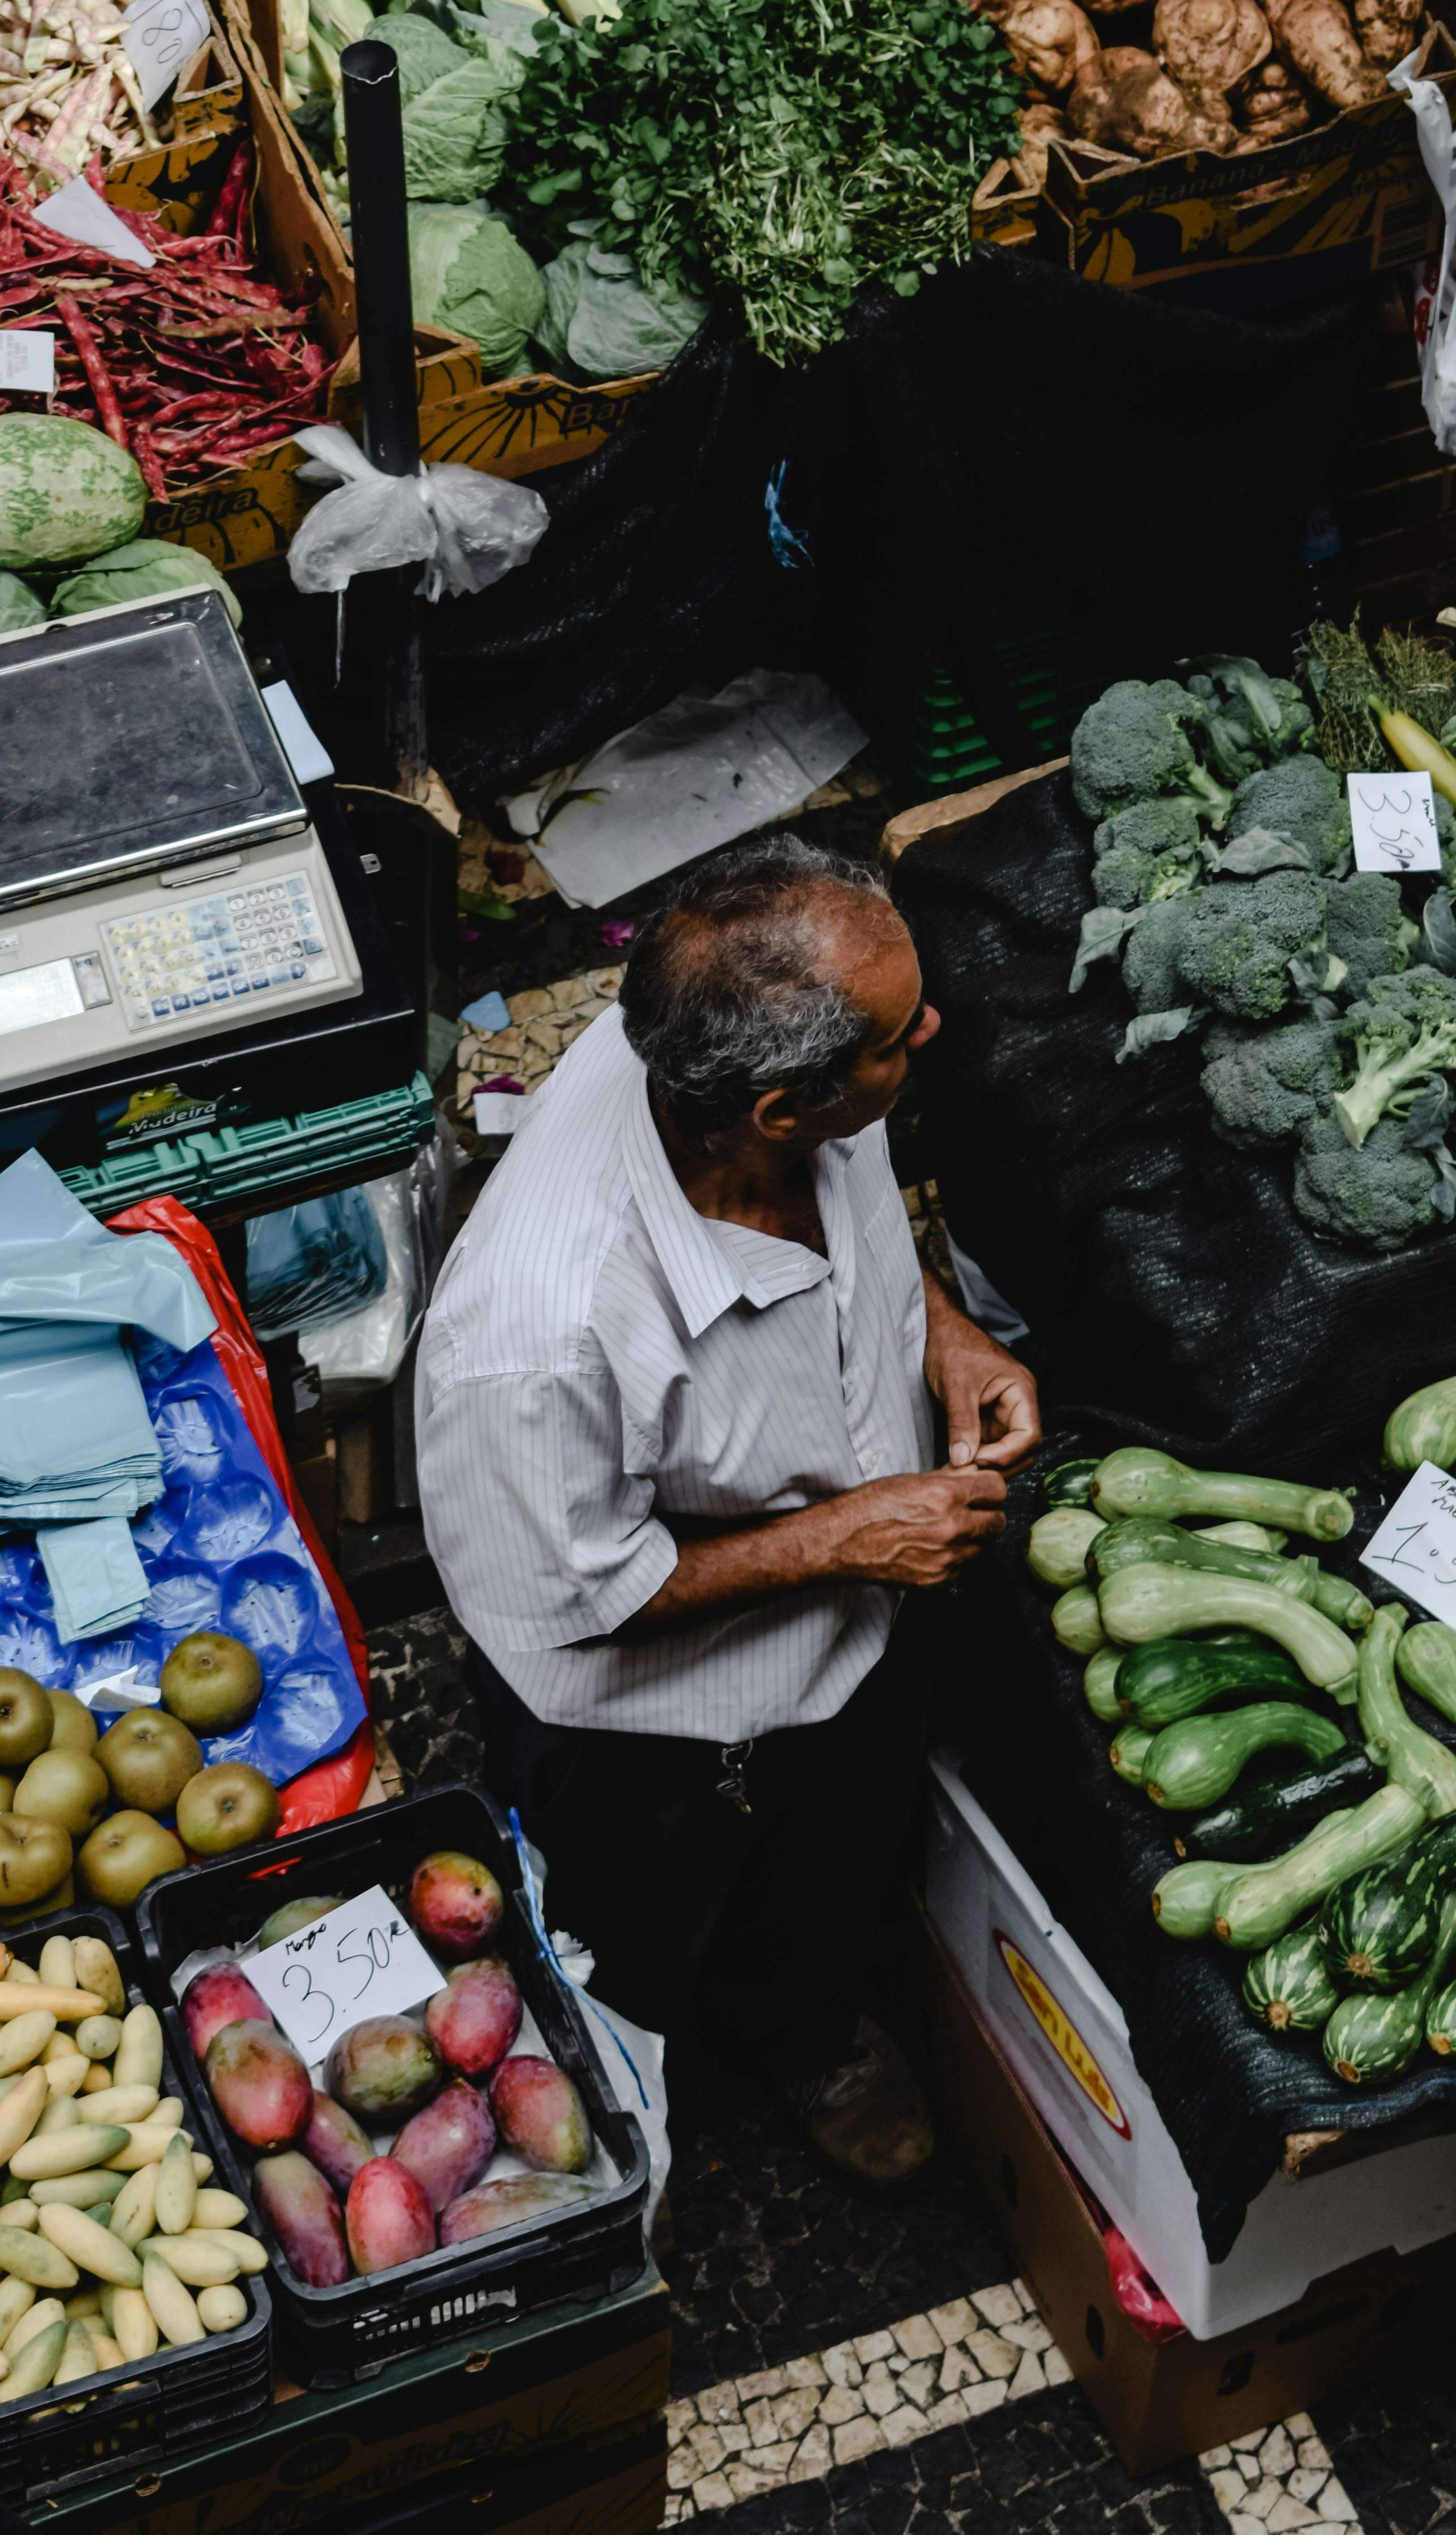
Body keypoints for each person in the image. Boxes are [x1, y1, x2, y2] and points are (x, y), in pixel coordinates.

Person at [415, 832, 1041, 2187]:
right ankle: (625, 2114)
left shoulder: (788, 1089)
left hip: (854, 1617)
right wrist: (850, 1536)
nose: (931, 1028)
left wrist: (946, 1339)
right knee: (633, 1932)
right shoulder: (540, 1333)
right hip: (655, 1713)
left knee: (831, 1858)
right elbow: (585, 1596)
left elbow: (863, 1226)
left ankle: (808, 2028)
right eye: (897, 1035)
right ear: (775, 1108)